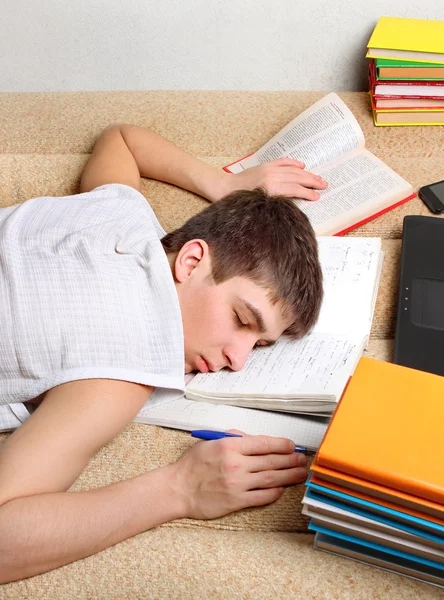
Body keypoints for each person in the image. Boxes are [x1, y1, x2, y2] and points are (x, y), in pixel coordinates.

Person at [0, 123, 327, 583]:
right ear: (191, 261)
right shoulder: (120, 371)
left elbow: (122, 139)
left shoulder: (122, 214)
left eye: (260, 344)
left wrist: (225, 184)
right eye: (241, 320)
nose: (239, 358)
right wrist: (179, 490)